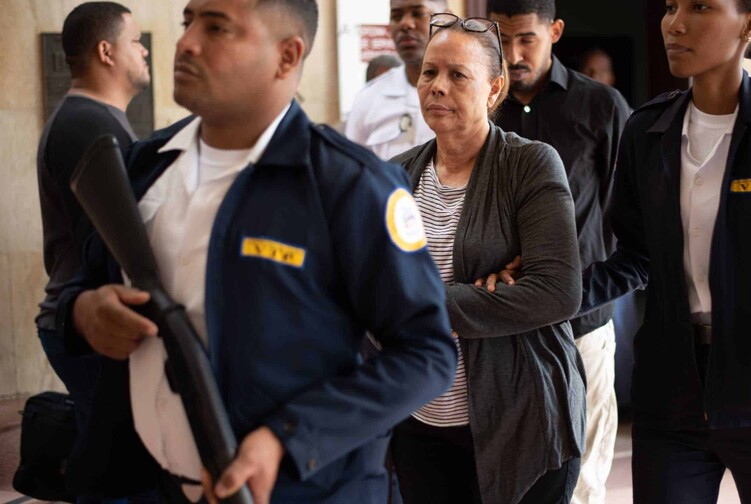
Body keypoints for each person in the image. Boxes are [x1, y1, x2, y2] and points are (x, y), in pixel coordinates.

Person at [56, 0, 457, 502]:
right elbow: (78, 290)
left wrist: (288, 439)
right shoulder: (144, 167)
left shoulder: (349, 185)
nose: (186, 43)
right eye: (188, 22)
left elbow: (426, 354)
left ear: (287, 56)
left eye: (216, 28)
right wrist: (85, 312)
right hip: (149, 486)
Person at [576, 1, 751, 502]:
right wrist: (549, 293)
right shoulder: (647, 130)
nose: (674, 23)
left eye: (700, 6)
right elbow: (636, 256)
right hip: (671, 400)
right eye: (671, 7)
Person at [389, 13, 584, 504]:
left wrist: (416, 305)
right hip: (421, 422)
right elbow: (364, 290)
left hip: (521, 419)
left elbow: (557, 292)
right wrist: (479, 297)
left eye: (458, 74)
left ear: (494, 88)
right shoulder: (395, 175)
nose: (437, 86)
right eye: (430, 72)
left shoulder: (528, 163)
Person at [483, 1, 630, 502]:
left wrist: (586, 287)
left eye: (526, 39)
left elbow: (631, 219)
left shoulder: (602, 107)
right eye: (501, 40)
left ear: (556, 31)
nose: (512, 54)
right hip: (498, 322)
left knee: (584, 477)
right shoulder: (478, 104)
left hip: (583, 321)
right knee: (506, 471)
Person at [34, 2, 159, 501]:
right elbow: (113, 245)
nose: (144, 51)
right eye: (135, 41)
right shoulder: (88, 125)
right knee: (116, 476)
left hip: (81, 321)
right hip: (86, 323)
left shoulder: (95, 119)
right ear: (106, 51)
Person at [344, 0, 444, 159]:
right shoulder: (369, 98)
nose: (405, 24)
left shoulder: (468, 93)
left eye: (418, 13)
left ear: (446, 19)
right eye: (396, 16)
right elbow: (353, 167)